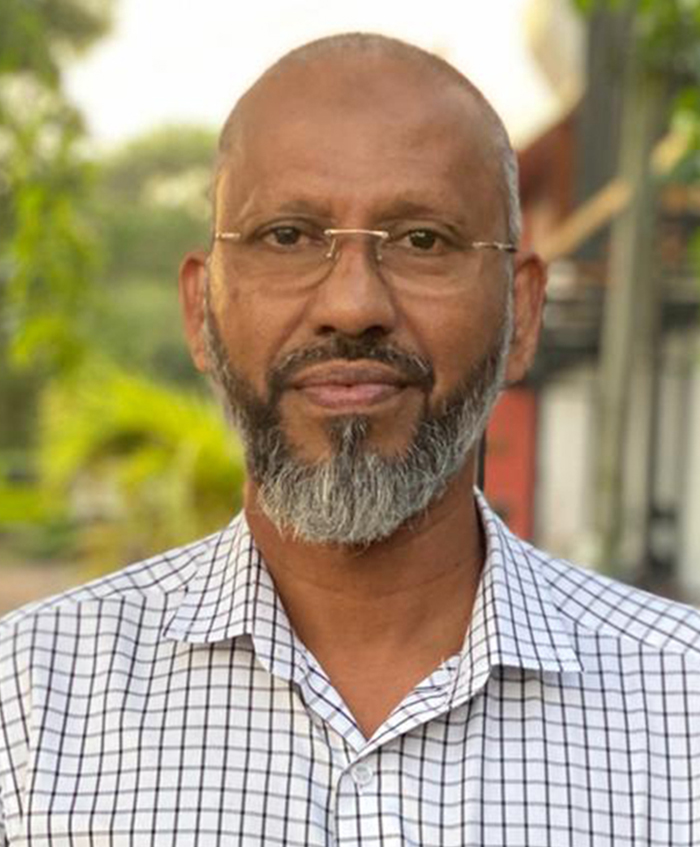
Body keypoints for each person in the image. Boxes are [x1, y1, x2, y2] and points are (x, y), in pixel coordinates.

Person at [1, 32, 699, 847]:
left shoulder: (682, 706)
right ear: (201, 311)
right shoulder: (27, 704)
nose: (353, 305)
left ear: (522, 313)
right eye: (288, 236)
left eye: (422, 240)